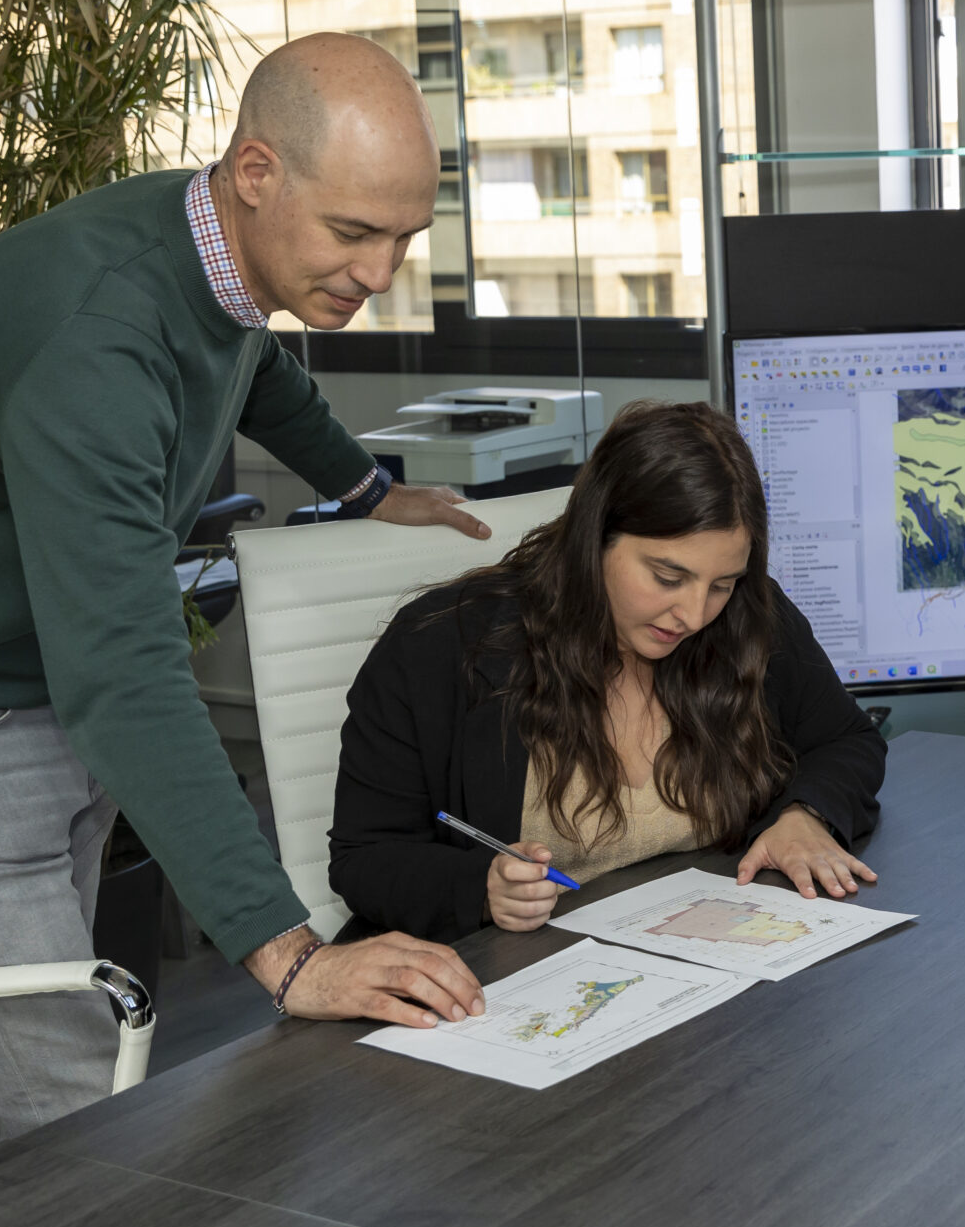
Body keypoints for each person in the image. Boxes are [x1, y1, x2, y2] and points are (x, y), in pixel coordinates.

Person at [0, 34, 498, 1168]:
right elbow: (125, 671)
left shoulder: (209, 249)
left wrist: (366, 489)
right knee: (90, 1122)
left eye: (404, 236)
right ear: (255, 172)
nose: (380, 271)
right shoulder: (98, 341)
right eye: (354, 232)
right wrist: (291, 956)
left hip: (28, 684)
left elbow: (254, 367)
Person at [330, 401, 886, 940]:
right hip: (515, 972)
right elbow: (366, 858)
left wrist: (806, 814)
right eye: (668, 578)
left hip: (698, 949)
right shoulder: (439, 645)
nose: (695, 615)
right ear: (593, 537)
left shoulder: (747, 616)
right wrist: (481, 887)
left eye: (721, 583)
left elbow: (847, 740)